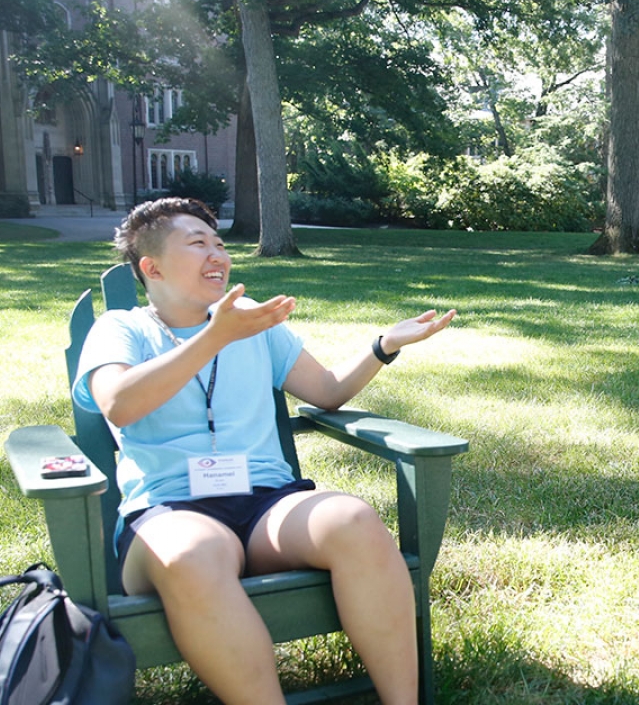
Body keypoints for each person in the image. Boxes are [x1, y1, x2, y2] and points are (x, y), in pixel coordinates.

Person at [72, 197, 456, 705]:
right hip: (166, 512)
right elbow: (118, 404)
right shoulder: (122, 329)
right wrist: (213, 338)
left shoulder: (254, 325)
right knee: (195, 554)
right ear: (152, 267)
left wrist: (382, 345)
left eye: (219, 243)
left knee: (354, 520)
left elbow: (325, 390)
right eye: (197, 244)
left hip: (267, 506)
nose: (217, 255)